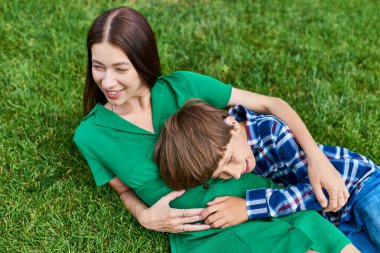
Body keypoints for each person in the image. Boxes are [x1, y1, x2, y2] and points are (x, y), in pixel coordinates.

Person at [73, 6, 354, 252]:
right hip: (209, 231)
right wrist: (144, 216)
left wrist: (317, 158)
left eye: (120, 69)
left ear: (142, 61)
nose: (107, 82)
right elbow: (124, 191)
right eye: (99, 67)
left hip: (259, 199)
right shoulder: (90, 136)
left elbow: (270, 104)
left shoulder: (183, 86)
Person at [155, 99, 380, 252]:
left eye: (230, 160)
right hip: (338, 218)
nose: (233, 173)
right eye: (221, 173)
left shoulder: (270, 133)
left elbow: (317, 190)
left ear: (232, 125)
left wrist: (249, 207)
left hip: (361, 188)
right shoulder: (231, 153)